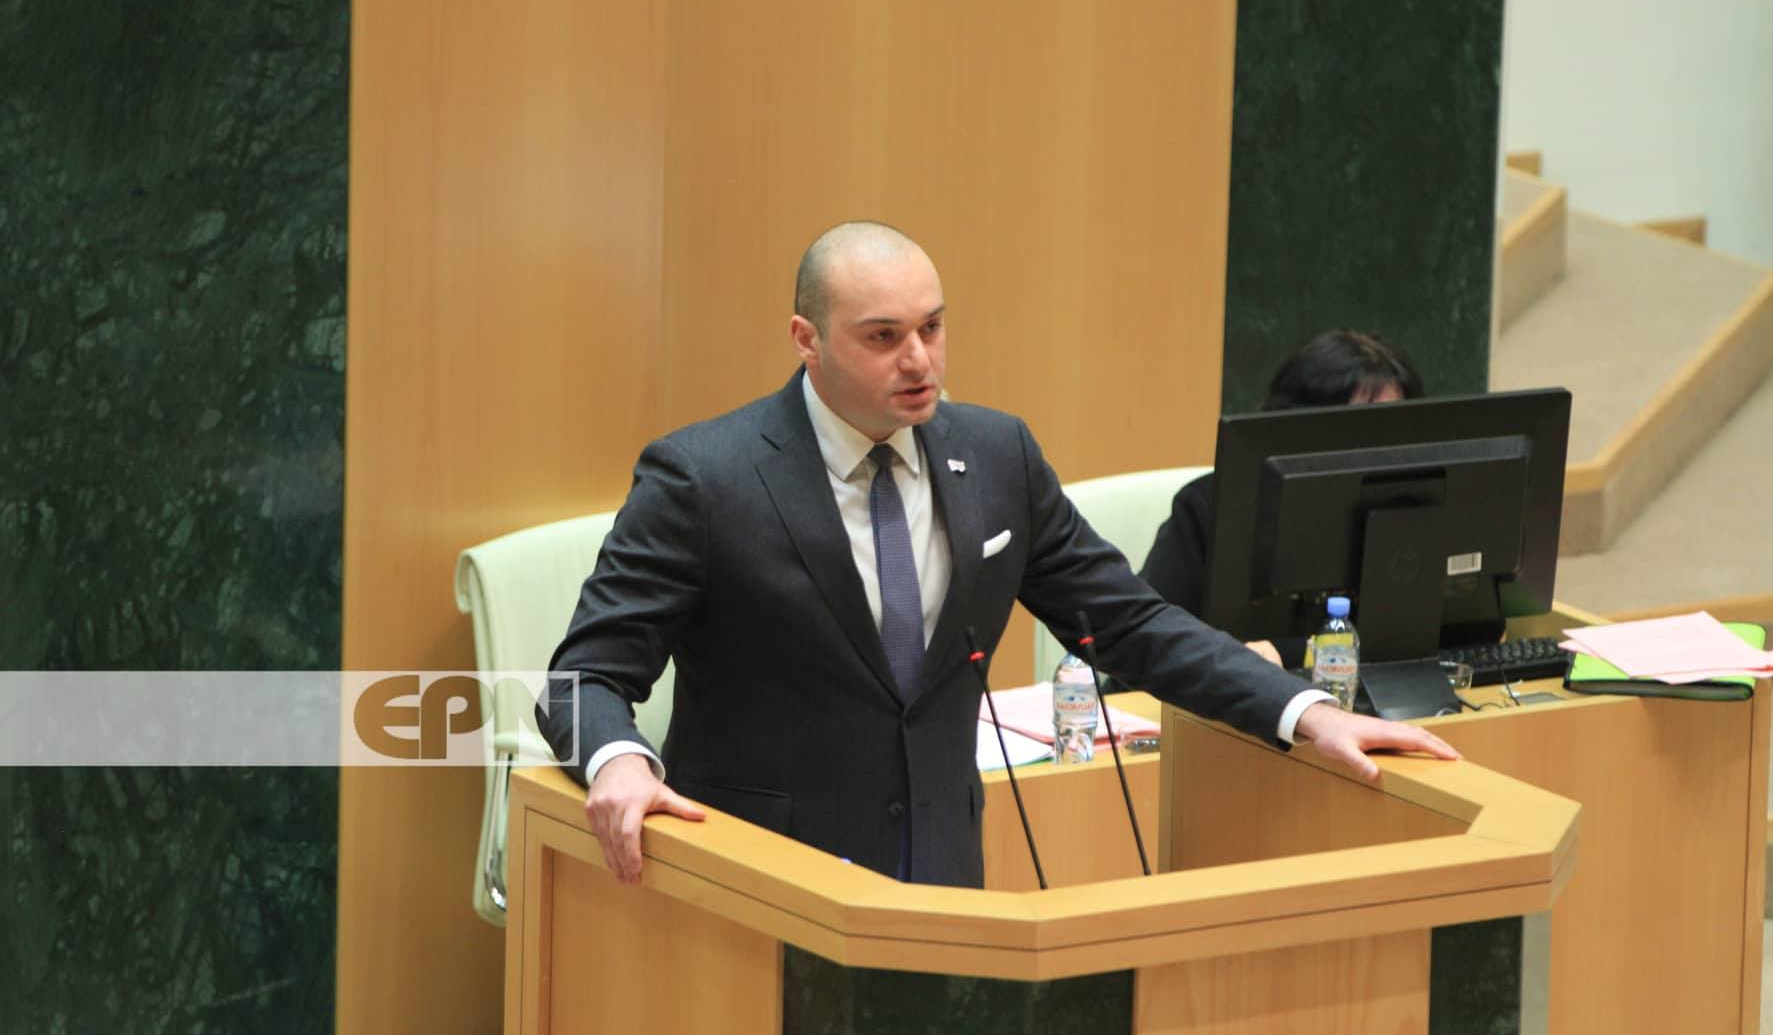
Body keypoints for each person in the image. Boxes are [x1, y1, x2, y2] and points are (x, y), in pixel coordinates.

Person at [539, 225, 1455, 888]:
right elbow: (584, 676)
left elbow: (1128, 622)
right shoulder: (705, 478)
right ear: (806, 340)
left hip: (944, 866)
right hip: (766, 873)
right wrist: (618, 761)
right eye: (883, 336)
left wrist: (1301, 712)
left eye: (932, 328)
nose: (919, 361)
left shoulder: (996, 456)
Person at [1140, 330, 1425, 666]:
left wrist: (1293, 653)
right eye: (1357, 427)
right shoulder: (1209, 508)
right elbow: (1149, 642)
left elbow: (1441, 633)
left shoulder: (1415, 509)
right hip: (1226, 691)